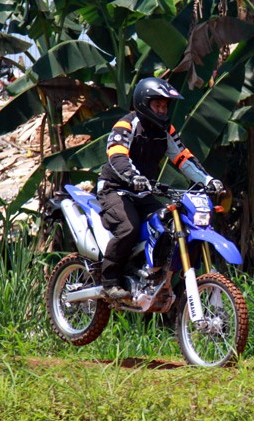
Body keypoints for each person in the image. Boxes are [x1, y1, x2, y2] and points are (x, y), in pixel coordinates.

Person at [96, 77, 224, 299]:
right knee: (128, 228)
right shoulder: (127, 125)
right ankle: (109, 280)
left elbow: (183, 158)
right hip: (114, 189)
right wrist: (132, 177)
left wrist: (208, 180)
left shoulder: (166, 130)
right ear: (143, 103)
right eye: (158, 105)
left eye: (165, 106)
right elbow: (117, 155)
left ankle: (153, 274)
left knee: (166, 224)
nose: (163, 110)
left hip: (143, 192)